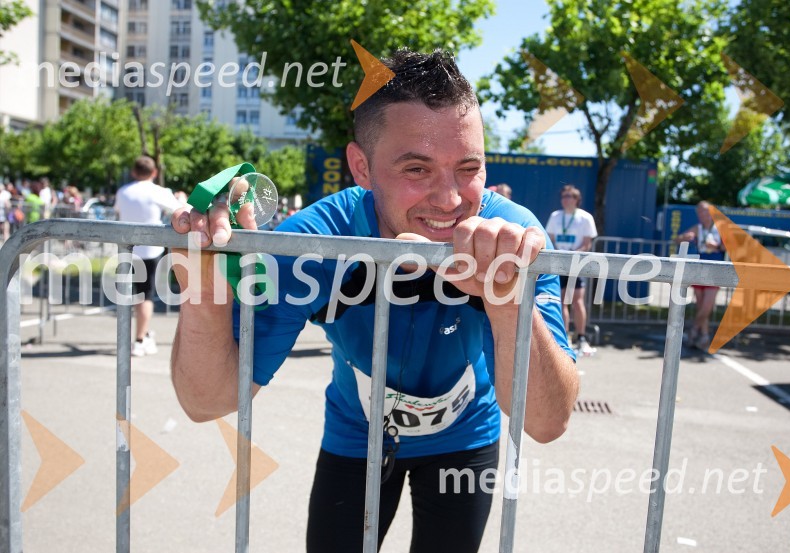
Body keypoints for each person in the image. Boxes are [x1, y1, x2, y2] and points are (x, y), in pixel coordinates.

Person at [169, 49, 579, 552]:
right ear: (362, 167)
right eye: (417, 169)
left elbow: (547, 422)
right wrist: (204, 285)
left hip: (466, 438)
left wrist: (507, 300)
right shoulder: (318, 242)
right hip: (355, 436)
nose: (450, 199)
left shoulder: (514, 236)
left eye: (468, 167)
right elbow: (205, 400)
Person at [115, 156, 183, 357]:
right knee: (145, 296)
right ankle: (139, 339)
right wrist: (181, 197)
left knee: (130, 294)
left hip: (126, 249)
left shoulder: (123, 191)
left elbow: (118, 211)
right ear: (154, 173)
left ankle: (137, 334)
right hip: (149, 251)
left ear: (134, 172)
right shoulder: (158, 192)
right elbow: (180, 209)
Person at [544, 184, 598, 356]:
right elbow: (550, 238)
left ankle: (581, 337)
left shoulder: (585, 217)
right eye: (564, 196)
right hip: (559, 263)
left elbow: (587, 243)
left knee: (577, 301)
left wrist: (573, 256)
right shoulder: (555, 216)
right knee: (560, 301)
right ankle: (564, 337)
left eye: (570, 196)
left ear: (577, 199)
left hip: (576, 263)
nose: (566, 199)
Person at [674, 201, 725, 350]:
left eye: (706, 212)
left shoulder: (719, 228)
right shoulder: (698, 228)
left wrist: (715, 246)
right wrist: (685, 237)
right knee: (701, 304)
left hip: (715, 270)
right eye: (700, 212)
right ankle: (704, 336)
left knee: (707, 305)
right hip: (700, 268)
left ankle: (694, 330)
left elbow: (728, 247)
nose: (703, 215)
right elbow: (677, 239)